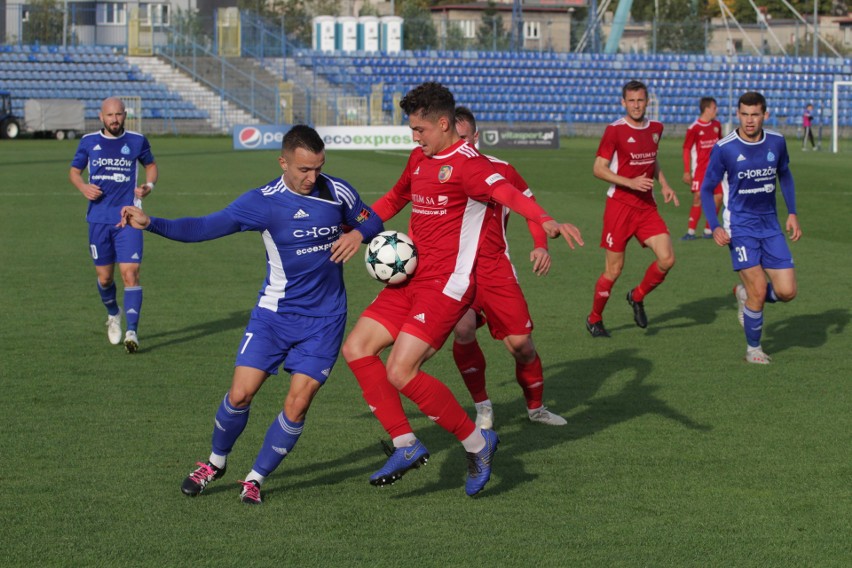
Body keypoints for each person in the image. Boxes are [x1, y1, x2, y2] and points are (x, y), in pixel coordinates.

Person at [341, 82, 583, 496]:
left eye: (420, 130)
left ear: (443, 123)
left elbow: (506, 192)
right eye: (412, 130)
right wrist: (357, 231)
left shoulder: (469, 164)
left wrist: (543, 220)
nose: (414, 138)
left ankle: (477, 442)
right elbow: (395, 197)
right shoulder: (419, 158)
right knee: (356, 348)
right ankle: (405, 442)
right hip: (410, 276)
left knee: (401, 370)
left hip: (447, 283)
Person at [120, 125, 383, 504]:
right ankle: (215, 462)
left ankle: (256, 478)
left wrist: (359, 234)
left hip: (325, 321)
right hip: (273, 315)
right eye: (304, 170)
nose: (312, 177)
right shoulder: (262, 201)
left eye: (318, 168)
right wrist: (153, 224)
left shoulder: (337, 191)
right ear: (283, 162)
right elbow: (204, 227)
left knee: (297, 402)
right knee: (240, 394)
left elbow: (372, 221)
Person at [450, 106, 566, 429]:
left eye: (465, 138)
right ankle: (483, 406)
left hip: (496, 271)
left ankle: (536, 407)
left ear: (476, 137)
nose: (460, 145)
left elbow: (530, 208)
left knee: (522, 347)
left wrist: (540, 243)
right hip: (458, 271)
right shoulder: (442, 171)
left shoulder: (502, 170)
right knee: (462, 329)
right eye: (453, 138)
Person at [700, 92, 801, 364]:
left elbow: (785, 174)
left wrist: (792, 212)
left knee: (787, 292)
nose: (749, 120)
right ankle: (753, 350)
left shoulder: (777, 142)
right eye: (744, 114)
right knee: (758, 288)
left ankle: (743, 295)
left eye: (755, 114)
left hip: (770, 226)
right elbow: (707, 190)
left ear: (764, 115)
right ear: (738, 114)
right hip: (740, 227)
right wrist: (715, 225)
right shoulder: (725, 148)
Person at [586, 80, 679, 338]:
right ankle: (594, 319)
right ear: (623, 102)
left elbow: (652, 158)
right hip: (620, 207)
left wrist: (664, 184)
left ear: (647, 101)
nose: (636, 105)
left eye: (640, 100)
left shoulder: (656, 129)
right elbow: (598, 169)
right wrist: (630, 182)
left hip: (646, 207)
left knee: (667, 258)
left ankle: (636, 296)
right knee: (614, 270)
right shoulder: (614, 130)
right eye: (631, 101)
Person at [69, 96, 157, 353]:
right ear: (101, 117)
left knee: (131, 273)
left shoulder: (137, 140)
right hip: (98, 220)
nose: (114, 119)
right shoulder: (88, 142)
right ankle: (113, 313)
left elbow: (151, 165)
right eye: (110, 115)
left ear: (125, 115)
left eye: (118, 114)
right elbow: (74, 171)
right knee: (105, 278)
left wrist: (148, 186)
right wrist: (83, 186)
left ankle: (132, 331)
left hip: (128, 219)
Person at [681, 97, 725, 240]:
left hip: (716, 169)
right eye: (714, 108)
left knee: (719, 197)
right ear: (706, 109)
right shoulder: (694, 128)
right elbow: (686, 149)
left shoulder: (717, 125)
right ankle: (691, 232)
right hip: (701, 170)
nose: (716, 111)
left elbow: (722, 144)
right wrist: (687, 170)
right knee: (698, 198)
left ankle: (708, 230)